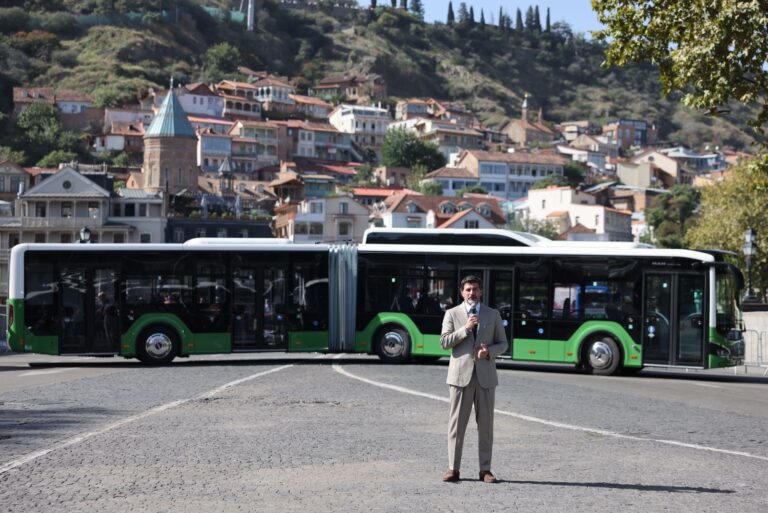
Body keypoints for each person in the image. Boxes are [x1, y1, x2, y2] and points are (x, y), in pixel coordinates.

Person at [440, 275, 508, 484]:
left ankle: (485, 470)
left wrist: (488, 352)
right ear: (462, 292)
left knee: (486, 426)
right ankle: (453, 468)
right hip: (460, 378)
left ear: (481, 292)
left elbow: (503, 344)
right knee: (456, 426)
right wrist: (466, 329)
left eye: (476, 289)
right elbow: (444, 342)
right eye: (468, 289)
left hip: (485, 378)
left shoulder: (492, 314)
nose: (472, 293)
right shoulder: (452, 314)